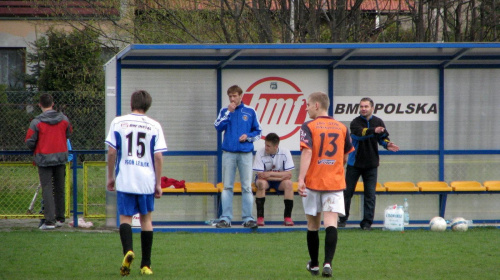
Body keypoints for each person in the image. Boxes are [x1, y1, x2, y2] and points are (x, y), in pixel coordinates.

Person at [105, 90, 167, 276]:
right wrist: (158, 183)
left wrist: (110, 177)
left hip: (125, 178)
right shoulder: (154, 125)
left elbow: (111, 152)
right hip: (146, 180)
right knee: (146, 220)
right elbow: (158, 156)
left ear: (131, 103)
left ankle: (128, 252)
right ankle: (146, 265)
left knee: (125, 218)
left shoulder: (118, 122)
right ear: (148, 105)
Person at [298, 92, 354, 277]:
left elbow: (306, 153)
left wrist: (300, 179)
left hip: (314, 182)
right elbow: (346, 156)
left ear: (316, 105)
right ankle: (327, 263)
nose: (306, 108)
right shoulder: (341, 127)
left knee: (313, 225)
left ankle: (314, 265)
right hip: (335, 182)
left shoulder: (308, 126)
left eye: (307, 104)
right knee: (331, 224)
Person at [338, 97, 399, 230]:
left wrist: (387, 144)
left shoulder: (378, 121)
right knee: (347, 192)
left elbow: (382, 137)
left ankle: (366, 224)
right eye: (361, 106)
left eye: (366, 106)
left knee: (370, 194)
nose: (363, 109)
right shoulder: (355, 122)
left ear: (372, 108)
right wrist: (374, 131)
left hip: (371, 164)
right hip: (354, 164)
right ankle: (342, 220)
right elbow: (360, 134)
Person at [214, 85, 262, 228]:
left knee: (246, 187)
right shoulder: (225, 111)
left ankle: (248, 218)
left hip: (246, 154)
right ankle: (225, 219)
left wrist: (248, 137)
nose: (232, 99)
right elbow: (217, 127)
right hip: (228, 153)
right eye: (230, 96)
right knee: (227, 186)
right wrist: (228, 113)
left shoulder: (250, 111)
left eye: (235, 96)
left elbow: (258, 132)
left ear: (241, 96)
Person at [25, 93, 72, 230]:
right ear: (52, 104)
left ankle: (49, 221)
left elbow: (29, 141)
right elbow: (68, 133)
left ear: (40, 105)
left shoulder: (37, 122)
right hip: (60, 158)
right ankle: (60, 218)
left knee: (47, 189)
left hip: (44, 158)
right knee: (59, 188)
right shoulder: (63, 119)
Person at [252, 132, 295, 226]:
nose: (266, 147)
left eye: (268, 146)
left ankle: (287, 217)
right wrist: (280, 176)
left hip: (278, 181)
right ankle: (260, 218)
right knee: (261, 184)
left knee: (288, 184)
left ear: (276, 146)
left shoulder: (285, 152)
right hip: (267, 181)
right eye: (265, 145)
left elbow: (289, 174)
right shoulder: (260, 152)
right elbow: (260, 175)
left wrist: (270, 174)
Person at [39, 139, 73, 228]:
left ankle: (53, 219)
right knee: (54, 190)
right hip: (54, 162)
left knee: (52, 190)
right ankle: (55, 218)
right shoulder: (60, 130)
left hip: (50, 162)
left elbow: (70, 153)